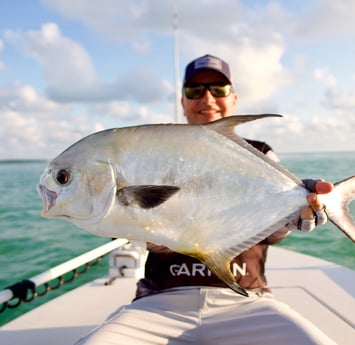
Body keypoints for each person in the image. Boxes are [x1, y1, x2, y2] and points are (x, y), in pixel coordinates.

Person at [76, 55, 336, 345]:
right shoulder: (150, 153)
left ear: (234, 99)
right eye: (195, 91)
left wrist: (294, 216)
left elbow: (273, 233)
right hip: (159, 302)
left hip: (246, 298)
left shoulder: (260, 153)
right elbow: (131, 224)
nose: (207, 98)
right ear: (183, 102)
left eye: (219, 89)